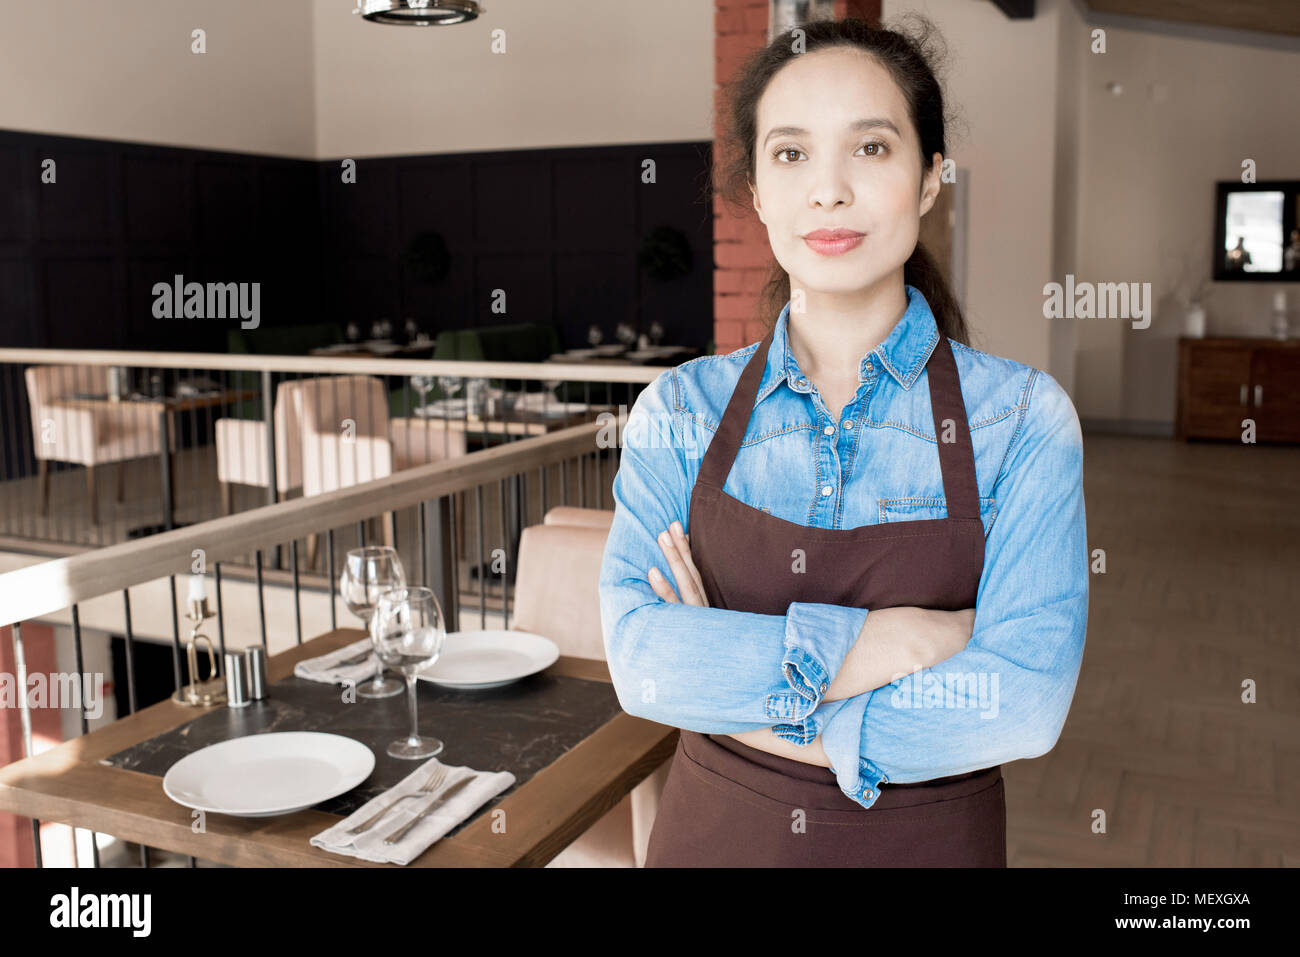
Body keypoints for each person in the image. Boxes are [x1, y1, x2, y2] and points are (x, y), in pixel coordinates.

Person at [598, 15, 1088, 867]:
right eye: (791, 154)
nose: (828, 190)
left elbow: (1022, 707)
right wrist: (881, 645)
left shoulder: (1025, 419)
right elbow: (643, 667)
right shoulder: (679, 408)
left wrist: (732, 681)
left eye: (870, 148)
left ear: (931, 178)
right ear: (756, 191)